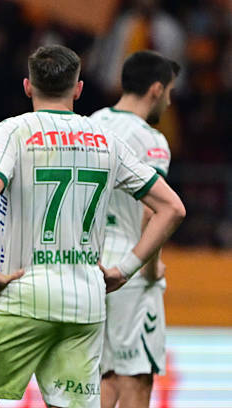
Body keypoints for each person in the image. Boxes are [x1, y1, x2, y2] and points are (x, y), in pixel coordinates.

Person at [0, 44, 185, 408]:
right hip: (86, 301)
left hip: (25, 293)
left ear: (28, 86)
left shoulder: (13, 131)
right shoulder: (106, 139)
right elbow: (172, 208)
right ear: (78, 89)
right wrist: (125, 270)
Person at [90, 50, 179, 408]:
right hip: (130, 268)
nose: (169, 101)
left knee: (103, 377)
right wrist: (151, 268)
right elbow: (152, 212)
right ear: (156, 89)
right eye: (169, 91)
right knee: (136, 379)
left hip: (91, 265)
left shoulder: (91, 124)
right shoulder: (151, 140)